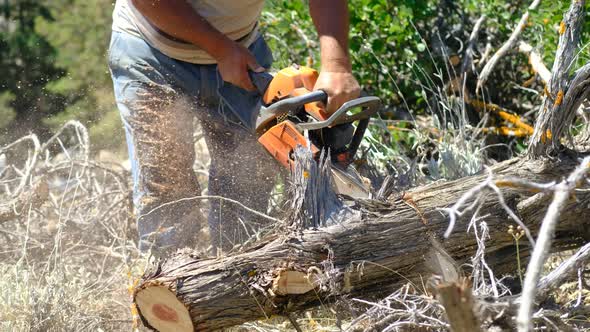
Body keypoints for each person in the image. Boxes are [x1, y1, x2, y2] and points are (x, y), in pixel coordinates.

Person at [107, 0, 361, 256]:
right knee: (168, 185)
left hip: (243, 46)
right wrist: (220, 49)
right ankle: (165, 279)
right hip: (152, 50)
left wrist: (336, 64)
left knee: (247, 180)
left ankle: (239, 273)